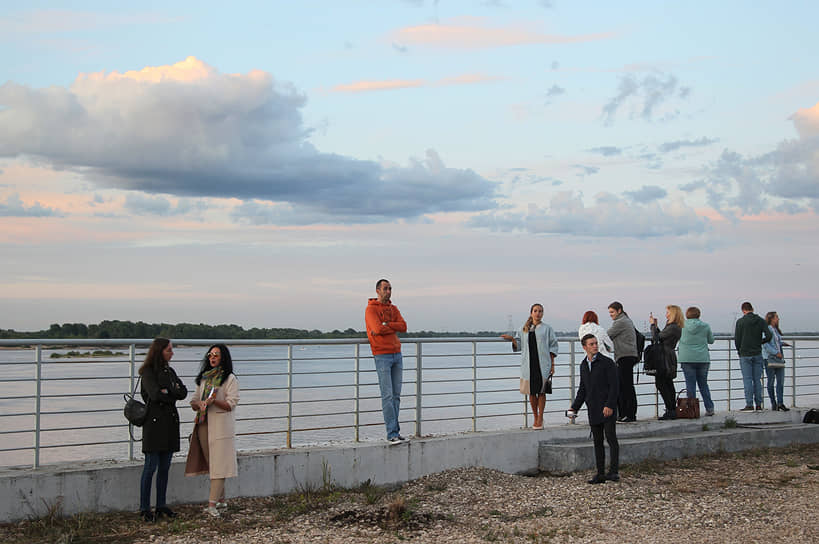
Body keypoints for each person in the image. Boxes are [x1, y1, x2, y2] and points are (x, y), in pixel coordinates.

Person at [185, 344, 240, 517]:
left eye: (216, 355)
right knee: (212, 463)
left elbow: (231, 404)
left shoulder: (229, 379)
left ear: (223, 357)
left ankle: (211, 505)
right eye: (210, 355)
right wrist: (198, 404)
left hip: (221, 427)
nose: (212, 357)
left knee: (220, 464)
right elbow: (193, 400)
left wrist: (213, 400)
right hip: (203, 424)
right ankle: (222, 500)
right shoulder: (204, 379)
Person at [138, 338, 188, 522]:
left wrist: (169, 391)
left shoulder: (170, 371)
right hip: (154, 425)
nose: (172, 353)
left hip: (169, 424)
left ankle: (160, 505)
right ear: (160, 351)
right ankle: (144, 508)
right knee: (150, 467)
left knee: (165, 467)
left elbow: (183, 392)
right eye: (169, 350)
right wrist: (170, 391)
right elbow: (155, 394)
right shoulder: (147, 372)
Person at [567, 334, 619, 484]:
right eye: (591, 344)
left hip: (607, 407)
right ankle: (600, 473)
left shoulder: (607, 363)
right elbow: (583, 389)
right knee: (597, 441)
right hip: (593, 407)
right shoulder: (584, 365)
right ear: (585, 347)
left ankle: (614, 472)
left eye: (596, 343)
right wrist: (574, 407)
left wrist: (609, 405)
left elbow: (614, 386)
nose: (595, 346)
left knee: (611, 438)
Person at [501, 303, 558, 430]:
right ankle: (535, 416)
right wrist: (512, 339)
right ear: (531, 312)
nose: (538, 313)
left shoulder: (547, 329)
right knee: (531, 393)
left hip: (543, 364)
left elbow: (553, 346)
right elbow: (519, 345)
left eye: (540, 311)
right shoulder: (523, 328)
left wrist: (552, 365)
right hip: (529, 365)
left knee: (542, 392)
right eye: (536, 311)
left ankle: (540, 418)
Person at [365, 279, 408, 444]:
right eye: (385, 288)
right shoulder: (370, 310)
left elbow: (403, 326)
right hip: (382, 355)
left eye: (390, 288)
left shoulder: (393, 308)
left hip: (397, 354)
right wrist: (391, 326)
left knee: (396, 396)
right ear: (377, 290)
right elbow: (376, 329)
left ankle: (396, 432)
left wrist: (387, 324)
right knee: (387, 396)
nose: (388, 291)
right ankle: (391, 434)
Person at [734, 302, 773, 411]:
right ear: (752, 309)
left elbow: (737, 339)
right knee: (757, 380)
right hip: (757, 353)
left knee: (747, 380)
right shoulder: (761, 321)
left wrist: (739, 350)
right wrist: (761, 341)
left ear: (743, 310)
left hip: (745, 354)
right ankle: (759, 404)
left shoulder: (740, 322)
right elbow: (769, 335)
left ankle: (749, 404)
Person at [678, 307, 716, 416]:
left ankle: (692, 410)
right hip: (703, 359)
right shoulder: (705, 326)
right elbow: (711, 341)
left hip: (687, 358)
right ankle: (710, 408)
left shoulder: (681, 326)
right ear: (699, 315)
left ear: (687, 315)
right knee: (703, 384)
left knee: (690, 385)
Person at [607, 302, 638, 423]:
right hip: (628, 355)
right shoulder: (626, 320)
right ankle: (626, 413)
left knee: (626, 386)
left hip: (625, 356)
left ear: (619, 310)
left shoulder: (621, 322)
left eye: (612, 312)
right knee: (625, 385)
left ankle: (629, 414)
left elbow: (607, 335)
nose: (611, 315)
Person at [650, 305, 683, 420]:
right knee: (667, 383)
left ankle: (670, 410)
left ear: (673, 314)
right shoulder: (674, 327)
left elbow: (656, 338)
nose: (666, 314)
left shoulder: (673, 327)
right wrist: (656, 326)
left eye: (668, 312)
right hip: (668, 356)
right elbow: (661, 337)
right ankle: (671, 409)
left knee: (662, 383)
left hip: (665, 358)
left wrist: (653, 326)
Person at [763, 311, 790, 412]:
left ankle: (780, 402)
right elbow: (765, 344)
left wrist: (782, 344)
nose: (778, 319)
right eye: (776, 317)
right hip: (770, 358)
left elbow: (775, 342)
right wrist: (775, 352)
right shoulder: (767, 330)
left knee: (780, 381)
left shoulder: (775, 330)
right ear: (772, 319)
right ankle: (773, 403)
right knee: (771, 381)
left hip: (779, 359)